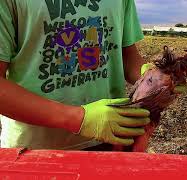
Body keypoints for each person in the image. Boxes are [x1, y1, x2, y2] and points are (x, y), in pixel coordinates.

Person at [0, 0, 156, 150]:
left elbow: (126, 57)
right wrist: (80, 119)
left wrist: (154, 77)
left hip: (113, 136)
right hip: (33, 148)